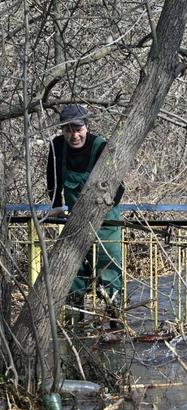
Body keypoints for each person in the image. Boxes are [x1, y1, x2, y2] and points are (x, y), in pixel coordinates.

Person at [46, 104, 126, 328]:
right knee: (73, 272)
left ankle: (114, 323)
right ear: (63, 131)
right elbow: (53, 178)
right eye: (68, 130)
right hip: (75, 222)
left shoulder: (100, 146)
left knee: (108, 269)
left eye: (78, 128)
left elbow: (118, 187)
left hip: (105, 221)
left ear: (86, 127)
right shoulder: (57, 146)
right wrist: (56, 205)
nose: (74, 135)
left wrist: (100, 206)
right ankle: (76, 325)